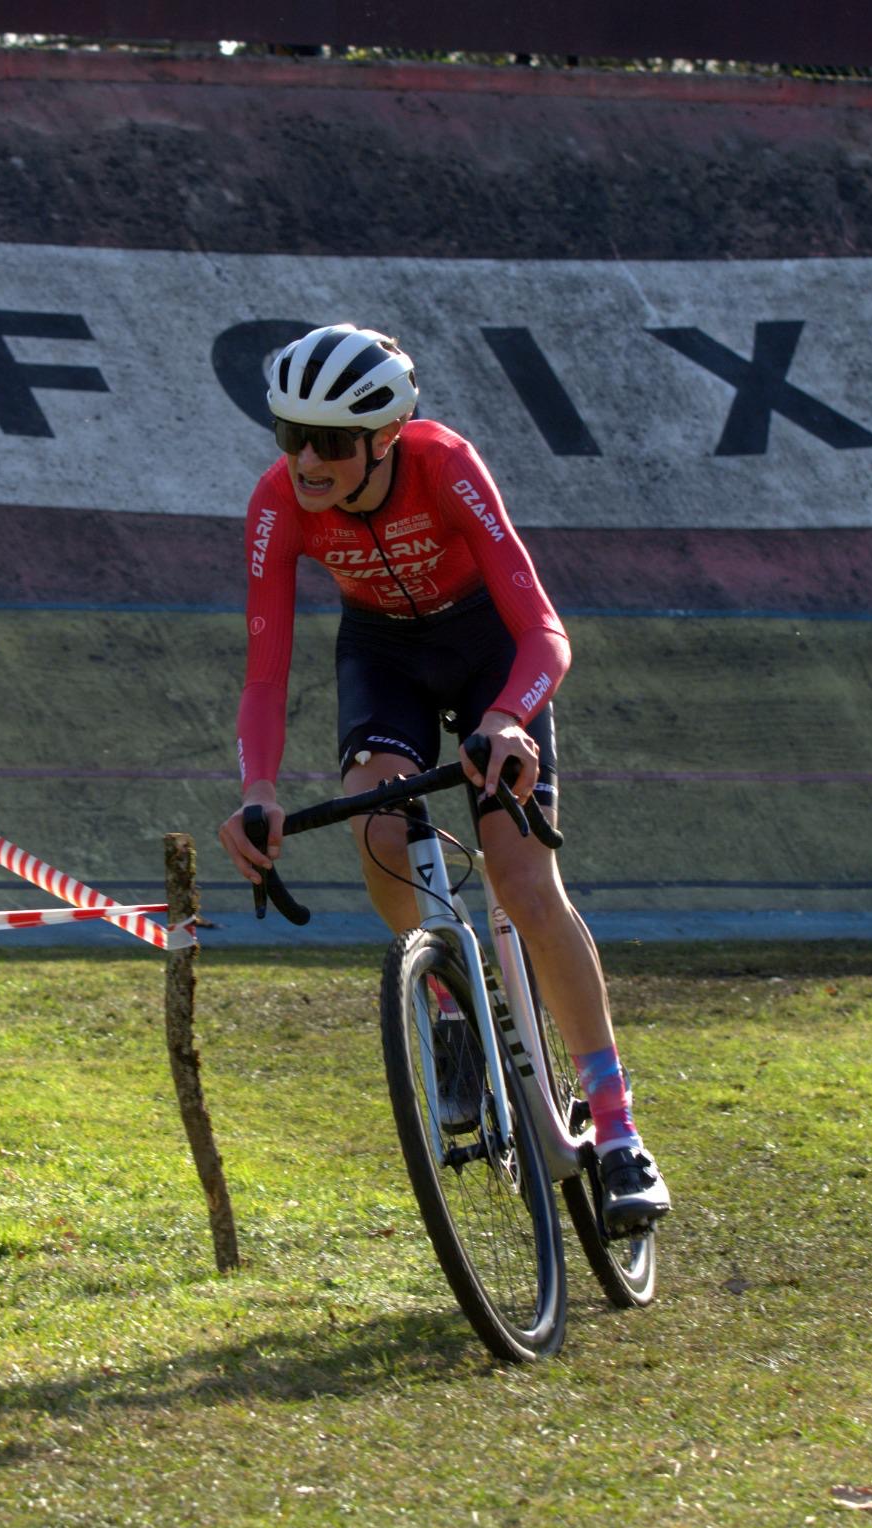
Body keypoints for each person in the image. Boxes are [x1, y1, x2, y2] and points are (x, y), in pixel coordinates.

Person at [218, 323, 670, 1235]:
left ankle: (619, 1131)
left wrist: (507, 716)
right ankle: (447, 1000)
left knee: (522, 884)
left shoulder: (445, 465)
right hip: (383, 656)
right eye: (288, 435)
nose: (306, 459)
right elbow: (264, 672)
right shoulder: (278, 504)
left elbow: (544, 630)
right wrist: (259, 789)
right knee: (379, 833)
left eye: (332, 443)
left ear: (384, 437)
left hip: (487, 649)